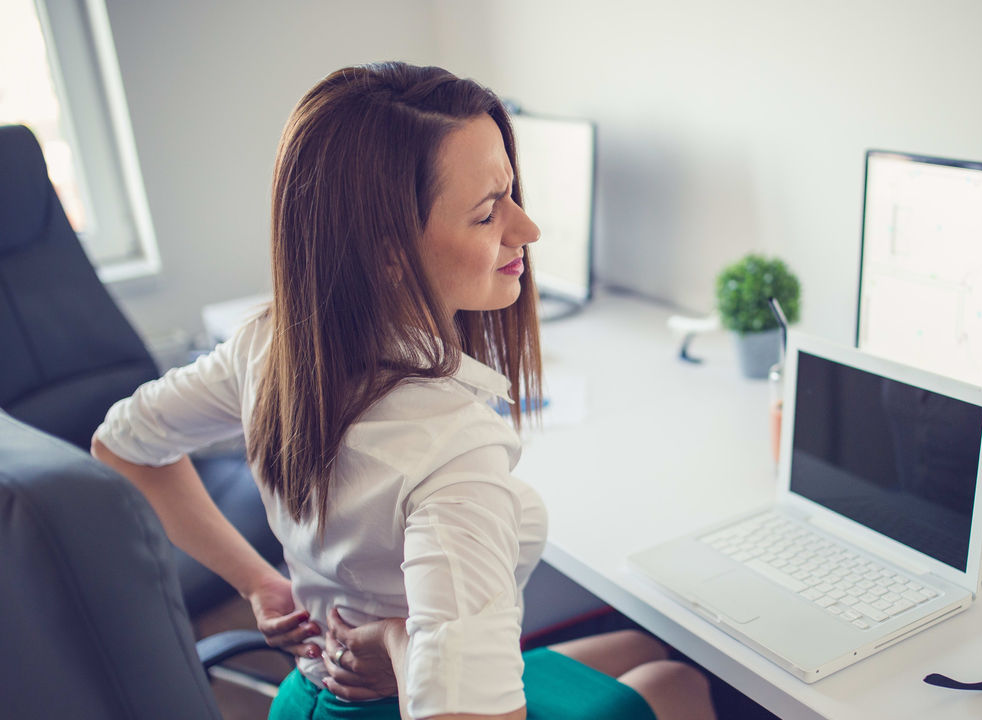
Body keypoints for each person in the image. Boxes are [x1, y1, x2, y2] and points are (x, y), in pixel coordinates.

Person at [91, 62, 716, 720]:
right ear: (388, 253)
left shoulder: (275, 343)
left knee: (643, 648)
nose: (526, 229)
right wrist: (396, 639)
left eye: (511, 193)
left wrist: (263, 586)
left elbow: (121, 444)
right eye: (486, 214)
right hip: (381, 698)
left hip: (307, 695)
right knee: (678, 687)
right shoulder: (449, 455)